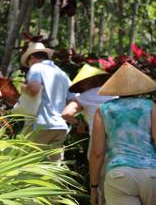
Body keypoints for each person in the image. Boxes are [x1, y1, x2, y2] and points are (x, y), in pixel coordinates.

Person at [89, 62, 156, 205]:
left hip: (119, 175)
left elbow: (97, 153)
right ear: (140, 87)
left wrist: (94, 187)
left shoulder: (104, 109)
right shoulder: (149, 106)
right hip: (153, 174)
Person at [62, 63, 116, 205]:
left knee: (98, 184)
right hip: (119, 142)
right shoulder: (114, 94)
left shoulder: (84, 97)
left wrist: (78, 124)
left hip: (97, 143)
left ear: (85, 82)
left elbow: (66, 114)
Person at [20, 42, 75, 161]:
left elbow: (34, 89)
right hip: (60, 127)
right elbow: (72, 100)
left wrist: (23, 88)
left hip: (41, 125)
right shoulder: (61, 73)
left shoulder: (36, 67)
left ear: (32, 58)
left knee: (30, 166)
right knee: (52, 170)